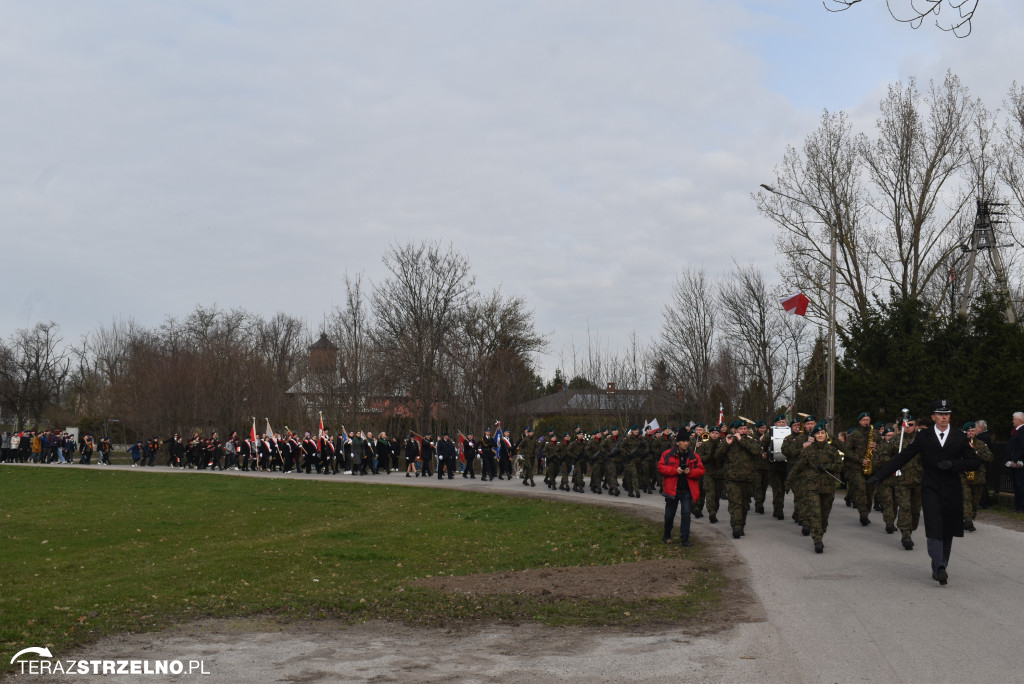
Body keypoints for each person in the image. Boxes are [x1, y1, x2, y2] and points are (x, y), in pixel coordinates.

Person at [866, 399, 981, 585]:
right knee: (935, 528)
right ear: (933, 417)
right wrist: (879, 476)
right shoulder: (924, 436)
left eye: (947, 414)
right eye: (941, 414)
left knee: (948, 530)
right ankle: (940, 566)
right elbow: (903, 457)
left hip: (952, 489)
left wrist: (954, 464)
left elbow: (974, 462)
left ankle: (940, 565)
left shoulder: (959, 437)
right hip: (931, 488)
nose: (945, 418)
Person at [787, 422, 842, 553]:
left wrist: (828, 467)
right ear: (814, 435)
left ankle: (820, 532)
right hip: (812, 487)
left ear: (826, 434)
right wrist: (788, 482)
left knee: (824, 515)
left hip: (828, 487)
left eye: (822, 433)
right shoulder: (808, 451)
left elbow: (839, 466)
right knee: (815, 513)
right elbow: (798, 467)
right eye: (818, 433)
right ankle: (817, 540)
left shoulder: (832, 451)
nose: (820, 435)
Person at [658, 428, 704, 547]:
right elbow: (661, 467)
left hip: (686, 490)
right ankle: (667, 535)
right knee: (669, 515)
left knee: (686, 514)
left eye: (687, 441)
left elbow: (701, 470)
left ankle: (685, 539)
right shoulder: (667, 454)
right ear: (677, 442)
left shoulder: (693, 455)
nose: (685, 443)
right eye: (682, 441)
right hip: (672, 489)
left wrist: (690, 472)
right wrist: (675, 470)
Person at [1006, 412, 1024, 512]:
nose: (1012, 421)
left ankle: (1021, 507)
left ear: (1019, 420)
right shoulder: (1017, 431)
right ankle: (1018, 506)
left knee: (1020, 485)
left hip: (1019, 463)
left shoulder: (1022, 431)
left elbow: (1022, 447)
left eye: (1014, 419)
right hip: (1015, 462)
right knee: (1016, 485)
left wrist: (1014, 460)